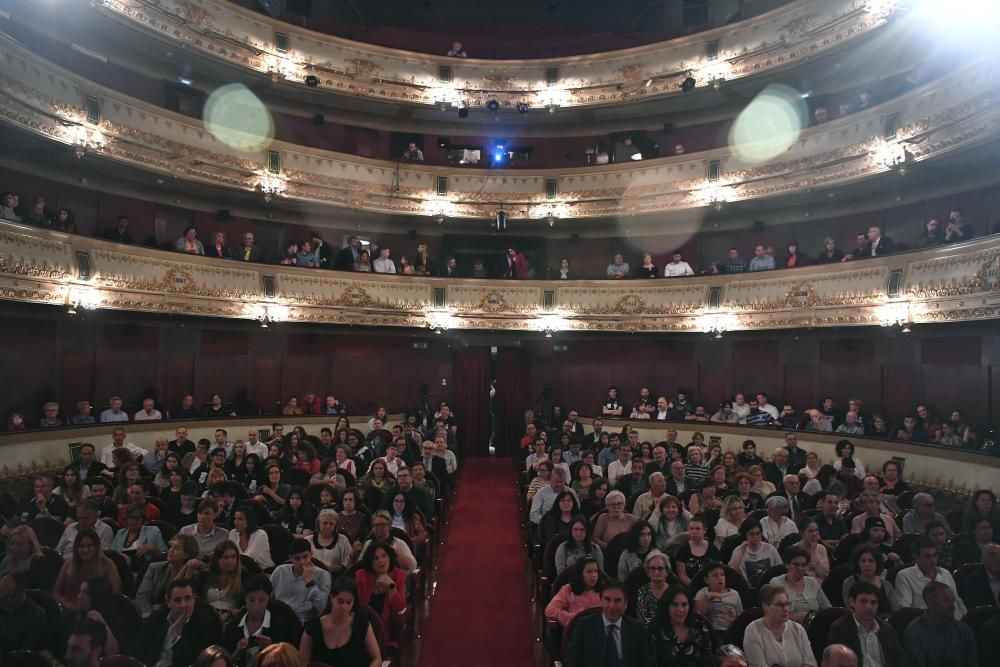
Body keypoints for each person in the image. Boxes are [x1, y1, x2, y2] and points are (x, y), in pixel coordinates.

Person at [563, 579, 656, 667]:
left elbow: (646, 663)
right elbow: (571, 663)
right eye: (607, 599)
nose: (612, 606)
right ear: (601, 601)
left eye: (617, 600)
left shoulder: (637, 629)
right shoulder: (584, 626)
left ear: (626, 604)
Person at [298, 575, 381, 667]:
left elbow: (377, 658)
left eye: (349, 602)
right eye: (340, 602)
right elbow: (303, 663)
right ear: (332, 598)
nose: (344, 608)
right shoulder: (313, 626)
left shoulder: (361, 623)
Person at [138, 579, 223, 667]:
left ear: (194, 599)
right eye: (177, 600)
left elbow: (197, 663)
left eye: (187, 598)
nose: (183, 605)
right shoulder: (158, 617)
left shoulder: (207, 624)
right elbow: (140, 650)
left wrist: (177, 638)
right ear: (168, 603)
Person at [222, 575, 297, 667]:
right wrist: (237, 651)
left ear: (268, 600)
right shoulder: (233, 626)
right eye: (251, 600)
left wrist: (271, 649)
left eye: (262, 600)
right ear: (245, 599)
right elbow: (224, 663)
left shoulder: (279, 625)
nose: (256, 606)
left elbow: (288, 661)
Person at [827, 580, 907, 666]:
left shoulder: (886, 629)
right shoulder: (840, 629)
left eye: (873, 602)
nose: (869, 607)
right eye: (863, 601)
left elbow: (899, 661)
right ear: (852, 602)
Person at [902, 581, 978, 666]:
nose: (952, 605)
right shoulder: (914, 632)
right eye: (946, 600)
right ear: (930, 602)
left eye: (952, 600)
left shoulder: (964, 630)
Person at [743, 584, 818, 667]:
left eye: (787, 604)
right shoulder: (753, 631)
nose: (785, 609)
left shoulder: (798, 629)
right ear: (765, 607)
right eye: (779, 605)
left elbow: (811, 662)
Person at [353, 541, 407, 652]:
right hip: (363, 626)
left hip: (385, 630)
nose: (381, 561)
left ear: (390, 557)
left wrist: (391, 588)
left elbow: (400, 609)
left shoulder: (399, 575)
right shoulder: (361, 575)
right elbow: (357, 606)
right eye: (376, 558)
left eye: (384, 556)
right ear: (370, 562)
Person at [894, 537, 966, 619]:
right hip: (925, 625)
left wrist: (966, 619)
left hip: (954, 623)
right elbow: (905, 609)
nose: (933, 560)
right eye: (927, 556)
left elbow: (957, 600)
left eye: (935, 555)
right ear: (916, 557)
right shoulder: (904, 576)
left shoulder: (945, 573)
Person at [137, 534, 202, 619]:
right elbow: (142, 596)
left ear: (187, 554)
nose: (171, 550)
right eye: (171, 546)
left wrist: (186, 569)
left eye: (177, 548)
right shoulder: (154, 567)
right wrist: (149, 616)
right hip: (149, 614)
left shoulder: (194, 574)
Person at [53, 529, 122, 608]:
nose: (85, 550)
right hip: (69, 611)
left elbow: (115, 595)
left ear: (97, 547)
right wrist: (66, 603)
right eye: (81, 546)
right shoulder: (69, 563)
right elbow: (56, 592)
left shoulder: (108, 564)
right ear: (76, 548)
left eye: (90, 545)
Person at [647, 585, 714, 667]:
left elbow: (708, 662)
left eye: (684, 604)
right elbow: (650, 662)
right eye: (675, 605)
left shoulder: (700, 627)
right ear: (666, 606)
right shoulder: (655, 628)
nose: (680, 610)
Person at [270, 538, 332, 623]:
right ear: (290, 558)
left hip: (306, 622)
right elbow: (268, 596)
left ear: (311, 554)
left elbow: (322, 607)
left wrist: (309, 582)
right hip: (279, 618)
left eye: (305, 556)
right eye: (297, 558)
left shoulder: (323, 575)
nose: (302, 562)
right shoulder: (280, 571)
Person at [194, 541, 252, 624]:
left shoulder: (243, 576)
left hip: (233, 620)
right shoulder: (204, 576)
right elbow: (196, 601)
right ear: (217, 559)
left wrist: (229, 614)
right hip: (207, 619)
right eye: (225, 557)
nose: (230, 561)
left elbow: (247, 604)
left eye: (233, 557)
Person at [841, 544, 897, 616]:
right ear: (858, 563)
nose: (867, 564)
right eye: (863, 561)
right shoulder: (849, 582)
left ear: (877, 564)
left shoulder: (886, 584)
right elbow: (850, 609)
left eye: (871, 561)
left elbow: (895, 610)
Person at [0, 571, 47, 656]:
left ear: (21, 592)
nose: (2, 602)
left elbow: (23, 653)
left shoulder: (37, 616)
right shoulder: (2, 602)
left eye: (7, 598)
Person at [729, 519, 781, 588]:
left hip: (769, 588)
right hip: (749, 590)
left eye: (758, 533)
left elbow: (780, 569)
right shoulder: (739, 550)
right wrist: (741, 553)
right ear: (745, 536)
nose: (755, 537)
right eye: (751, 534)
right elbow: (732, 572)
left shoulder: (769, 548)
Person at [694, 562, 743, 634]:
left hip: (731, 630)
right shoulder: (703, 593)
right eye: (715, 575)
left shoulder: (734, 594)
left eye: (722, 575)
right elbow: (699, 614)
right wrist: (708, 596)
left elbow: (740, 616)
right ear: (706, 580)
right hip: (711, 632)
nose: (720, 578)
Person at [673, 515, 720, 587]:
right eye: (691, 529)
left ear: (704, 530)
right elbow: (682, 575)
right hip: (691, 587)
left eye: (698, 529)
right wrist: (695, 587)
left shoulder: (713, 548)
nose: (694, 531)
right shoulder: (682, 550)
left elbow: (718, 570)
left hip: (711, 586)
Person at [634, 550, 672, 626]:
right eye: (652, 568)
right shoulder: (642, 592)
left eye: (660, 568)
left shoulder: (673, 592)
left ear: (667, 571)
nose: (656, 572)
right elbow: (642, 620)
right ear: (648, 572)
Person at [229, 505, 273, 570]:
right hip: (240, 570)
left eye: (240, 519)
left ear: (249, 520)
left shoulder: (260, 535)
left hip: (263, 571)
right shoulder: (232, 533)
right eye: (235, 519)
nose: (236, 522)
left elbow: (249, 558)